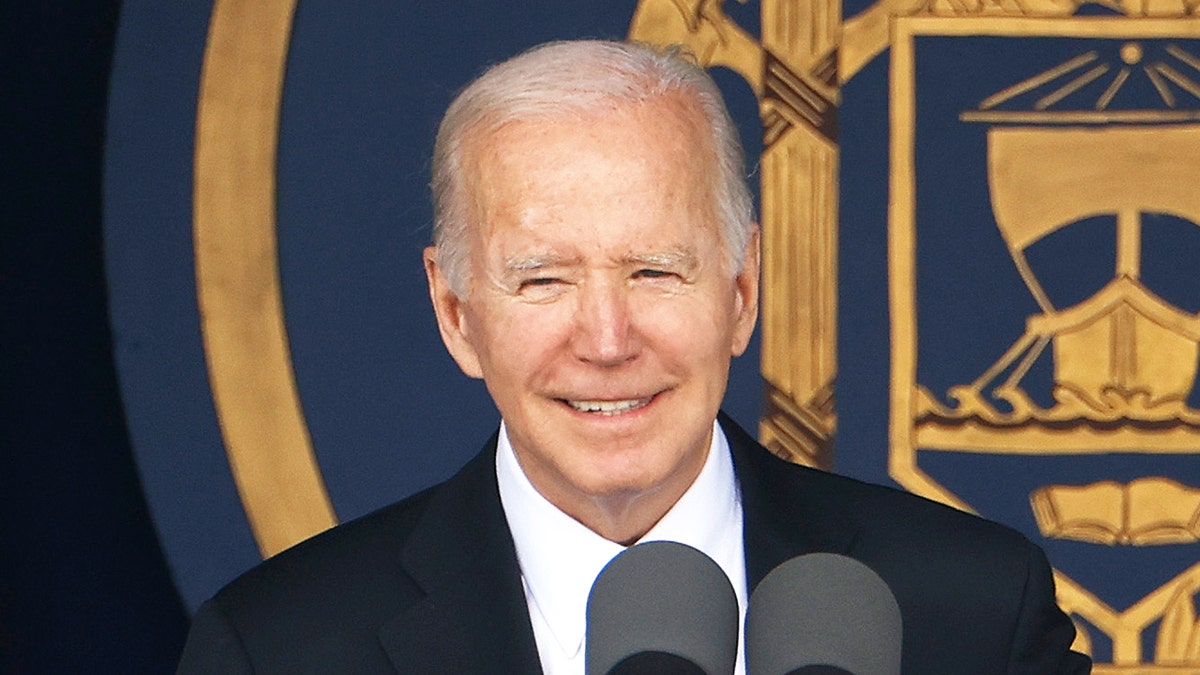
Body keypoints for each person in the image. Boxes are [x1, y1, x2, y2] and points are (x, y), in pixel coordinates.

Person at [176, 39, 1090, 674]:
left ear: (741, 290)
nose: (608, 340)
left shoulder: (973, 613)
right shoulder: (279, 651)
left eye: (655, 270)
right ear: (456, 314)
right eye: (542, 281)